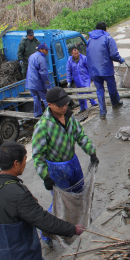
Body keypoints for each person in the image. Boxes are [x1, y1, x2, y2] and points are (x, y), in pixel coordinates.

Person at [32, 87, 99, 248]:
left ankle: (77, 221)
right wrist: (46, 176)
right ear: (50, 105)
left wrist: (91, 152)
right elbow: (37, 155)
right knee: (61, 200)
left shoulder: (69, 117)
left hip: (73, 163)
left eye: (66, 103)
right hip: (56, 169)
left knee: (79, 192)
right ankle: (47, 232)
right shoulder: (43, 126)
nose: (64, 107)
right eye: (60, 105)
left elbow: (80, 136)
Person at [86, 22, 126, 119]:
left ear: (95, 29)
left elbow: (88, 54)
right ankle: (115, 103)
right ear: (106, 30)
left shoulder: (89, 40)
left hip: (94, 70)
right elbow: (113, 54)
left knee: (99, 90)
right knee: (111, 86)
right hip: (105, 69)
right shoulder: (108, 39)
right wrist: (120, 60)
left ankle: (102, 112)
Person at [66, 47, 98, 112]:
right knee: (80, 93)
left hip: (85, 77)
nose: (76, 55)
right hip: (77, 79)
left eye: (77, 53)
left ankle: (93, 102)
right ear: (72, 54)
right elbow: (69, 71)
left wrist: (92, 76)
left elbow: (89, 67)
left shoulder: (84, 58)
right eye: (74, 53)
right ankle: (83, 107)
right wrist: (69, 81)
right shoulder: (70, 60)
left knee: (88, 89)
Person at [25, 43, 51, 118]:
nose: (47, 52)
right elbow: (43, 73)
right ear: (41, 50)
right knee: (46, 99)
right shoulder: (41, 58)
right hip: (37, 82)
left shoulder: (31, 56)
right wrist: (48, 84)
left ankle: (37, 114)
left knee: (36, 98)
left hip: (30, 83)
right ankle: (49, 115)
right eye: (46, 50)